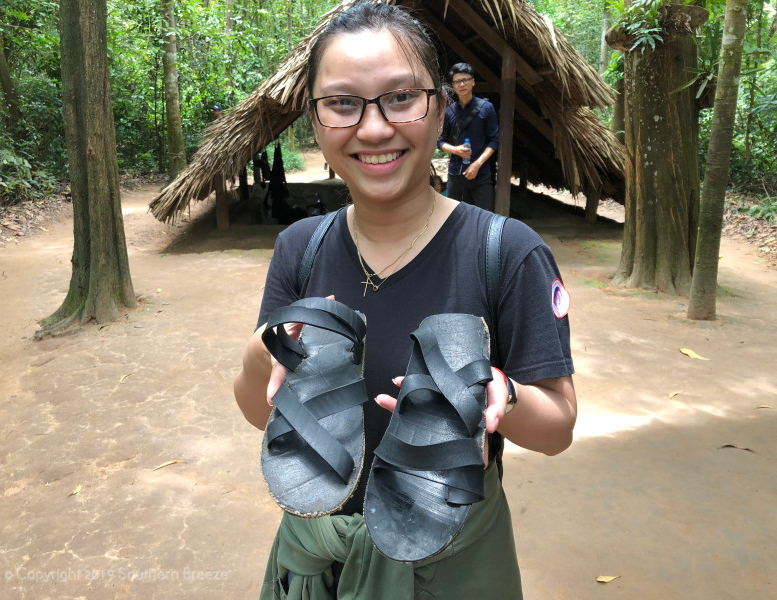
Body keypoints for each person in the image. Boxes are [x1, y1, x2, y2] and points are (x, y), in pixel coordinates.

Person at [233, 3, 576, 598]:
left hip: (451, 563)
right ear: (315, 123)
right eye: (342, 103)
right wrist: (262, 355)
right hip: (315, 557)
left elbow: (558, 428)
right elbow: (261, 412)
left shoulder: (506, 251)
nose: (372, 129)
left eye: (400, 97)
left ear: (440, 109)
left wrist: (504, 396)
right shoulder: (300, 248)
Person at [437, 63, 499, 211]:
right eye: (457, 81)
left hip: (481, 174)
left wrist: (477, 164)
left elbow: (494, 140)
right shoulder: (449, 111)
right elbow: (439, 142)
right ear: (453, 85)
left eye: (465, 79)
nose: (462, 84)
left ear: (473, 82)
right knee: (453, 216)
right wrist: (455, 150)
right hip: (456, 174)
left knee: (485, 217)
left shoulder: (486, 108)